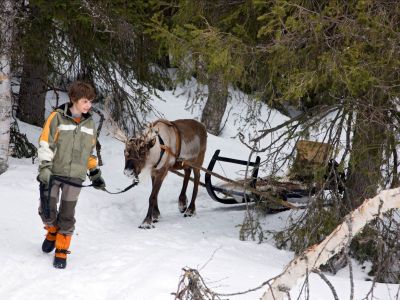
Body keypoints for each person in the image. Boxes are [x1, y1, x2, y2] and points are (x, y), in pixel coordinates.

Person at [37, 81, 106, 269]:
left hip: (75, 177)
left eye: (90, 101)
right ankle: (52, 231)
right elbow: (46, 143)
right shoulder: (56, 118)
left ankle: (61, 250)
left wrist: (94, 172)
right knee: (46, 211)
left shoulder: (90, 122)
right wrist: (45, 167)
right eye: (85, 101)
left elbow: (90, 152)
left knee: (67, 215)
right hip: (54, 173)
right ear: (74, 99)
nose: (88, 105)